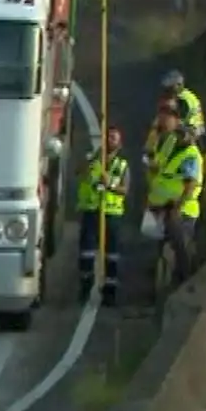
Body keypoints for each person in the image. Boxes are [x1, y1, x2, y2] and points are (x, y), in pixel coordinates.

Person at [77, 126, 130, 306]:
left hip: (111, 214)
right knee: (86, 253)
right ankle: (85, 287)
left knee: (112, 254)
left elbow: (125, 189)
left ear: (119, 143)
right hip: (91, 211)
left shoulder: (122, 165)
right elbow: (79, 173)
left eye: (114, 138)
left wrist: (111, 185)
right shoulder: (93, 160)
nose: (110, 140)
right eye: (108, 137)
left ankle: (110, 292)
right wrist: (92, 161)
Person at [146, 121, 204, 285]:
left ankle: (183, 283)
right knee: (166, 249)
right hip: (162, 207)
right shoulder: (172, 147)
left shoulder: (190, 155)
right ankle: (166, 285)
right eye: (177, 133)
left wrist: (177, 208)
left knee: (180, 250)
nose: (178, 136)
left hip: (180, 211)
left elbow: (190, 185)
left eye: (182, 134)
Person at [161, 69, 206, 138]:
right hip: (196, 131)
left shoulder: (182, 99)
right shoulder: (189, 95)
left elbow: (181, 120)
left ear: (179, 85)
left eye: (170, 87)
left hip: (189, 133)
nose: (168, 91)